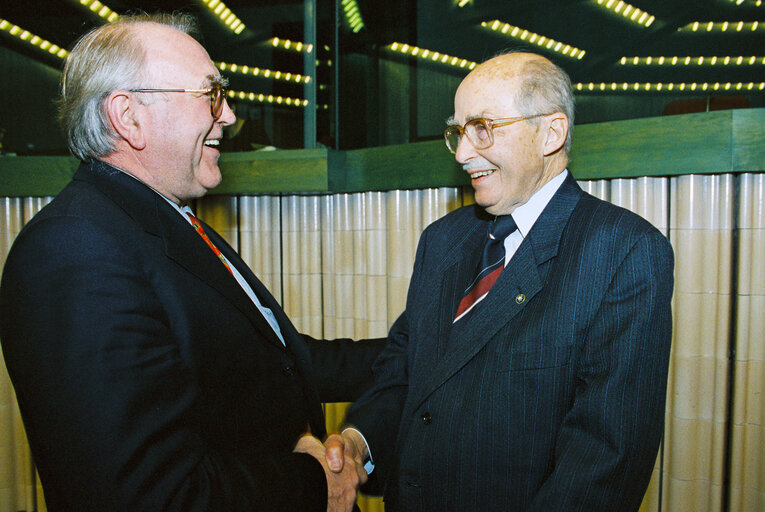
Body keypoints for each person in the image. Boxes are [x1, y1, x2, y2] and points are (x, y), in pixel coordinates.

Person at [0, 13, 383, 512]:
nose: (227, 116)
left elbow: (279, 361)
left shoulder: (163, 218)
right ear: (128, 116)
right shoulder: (73, 250)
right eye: (211, 95)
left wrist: (430, 345)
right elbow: (146, 495)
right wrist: (314, 479)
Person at [326, 51, 675, 511]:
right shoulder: (442, 240)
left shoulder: (624, 251)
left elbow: (604, 463)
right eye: (459, 132)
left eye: (484, 128)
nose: (465, 153)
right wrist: (357, 445)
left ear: (551, 133)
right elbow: (404, 369)